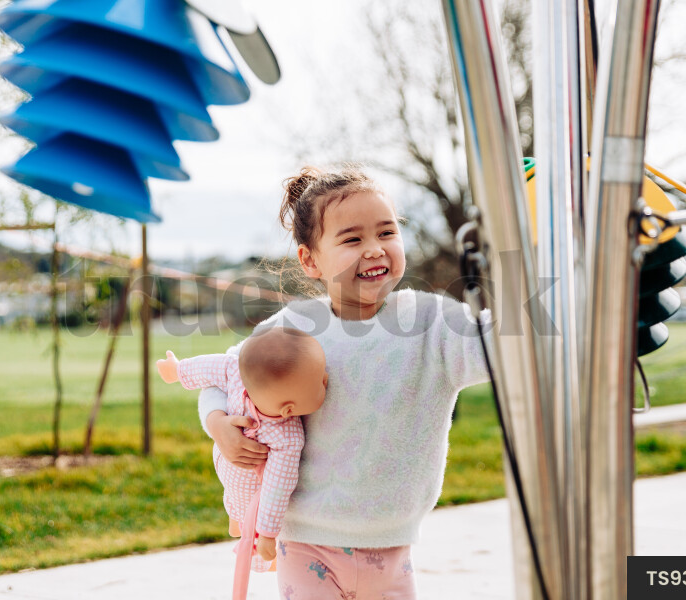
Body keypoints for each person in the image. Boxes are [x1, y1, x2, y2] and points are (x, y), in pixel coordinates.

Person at [199, 165, 491, 600]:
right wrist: (217, 423)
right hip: (305, 541)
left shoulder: (432, 323)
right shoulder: (293, 328)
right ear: (310, 260)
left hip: (392, 543)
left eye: (387, 233)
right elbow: (224, 376)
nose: (375, 249)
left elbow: (499, 347)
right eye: (353, 239)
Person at [157, 327, 328, 572]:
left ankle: (236, 520)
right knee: (248, 505)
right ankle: (241, 524)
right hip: (246, 476)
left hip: (232, 469)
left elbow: (206, 367)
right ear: (288, 410)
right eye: (320, 382)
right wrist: (267, 534)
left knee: (238, 498)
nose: (326, 379)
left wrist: (175, 370)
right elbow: (276, 489)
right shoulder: (287, 438)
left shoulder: (236, 371)